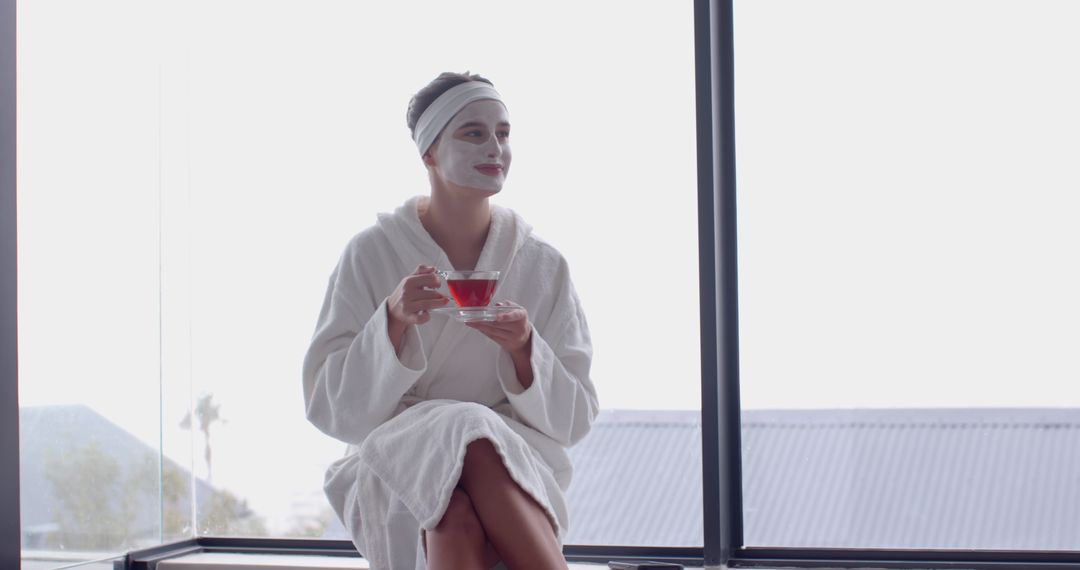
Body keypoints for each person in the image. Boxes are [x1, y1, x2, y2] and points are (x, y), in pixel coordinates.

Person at [302, 71, 599, 570]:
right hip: (395, 463)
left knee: (460, 487)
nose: (495, 148)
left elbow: (576, 418)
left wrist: (526, 349)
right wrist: (392, 323)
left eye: (503, 133)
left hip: (513, 464)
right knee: (462, 443)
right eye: (473, 133)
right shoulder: (371, 254)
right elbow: (329, 409)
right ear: (429, 154)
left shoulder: (543, 265)